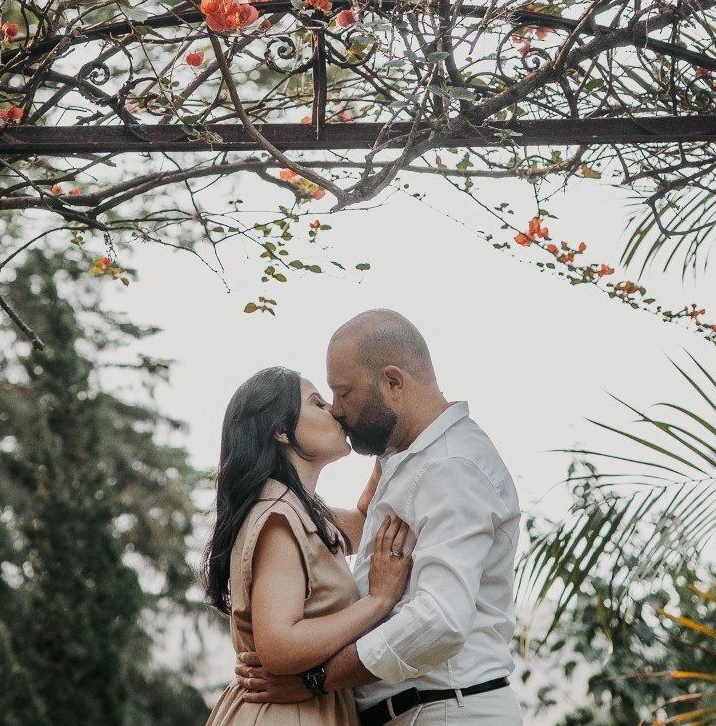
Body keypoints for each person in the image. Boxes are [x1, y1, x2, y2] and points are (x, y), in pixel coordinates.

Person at [235, 310, 522, 725]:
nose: (336, 410)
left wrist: (317, 679)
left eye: (343, 392)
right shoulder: (410, 461)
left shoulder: (451, 466)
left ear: (392, 382)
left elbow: (439, 620)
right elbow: (343, 527)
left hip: (445, 710)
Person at [203, 365, 418, 725]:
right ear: (282, 431)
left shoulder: (298, 511)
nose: (334, 411)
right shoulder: (278, 518)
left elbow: (366, 520)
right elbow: (280, 646)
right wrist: (379, 601)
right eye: (318, 403)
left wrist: (390, 438)